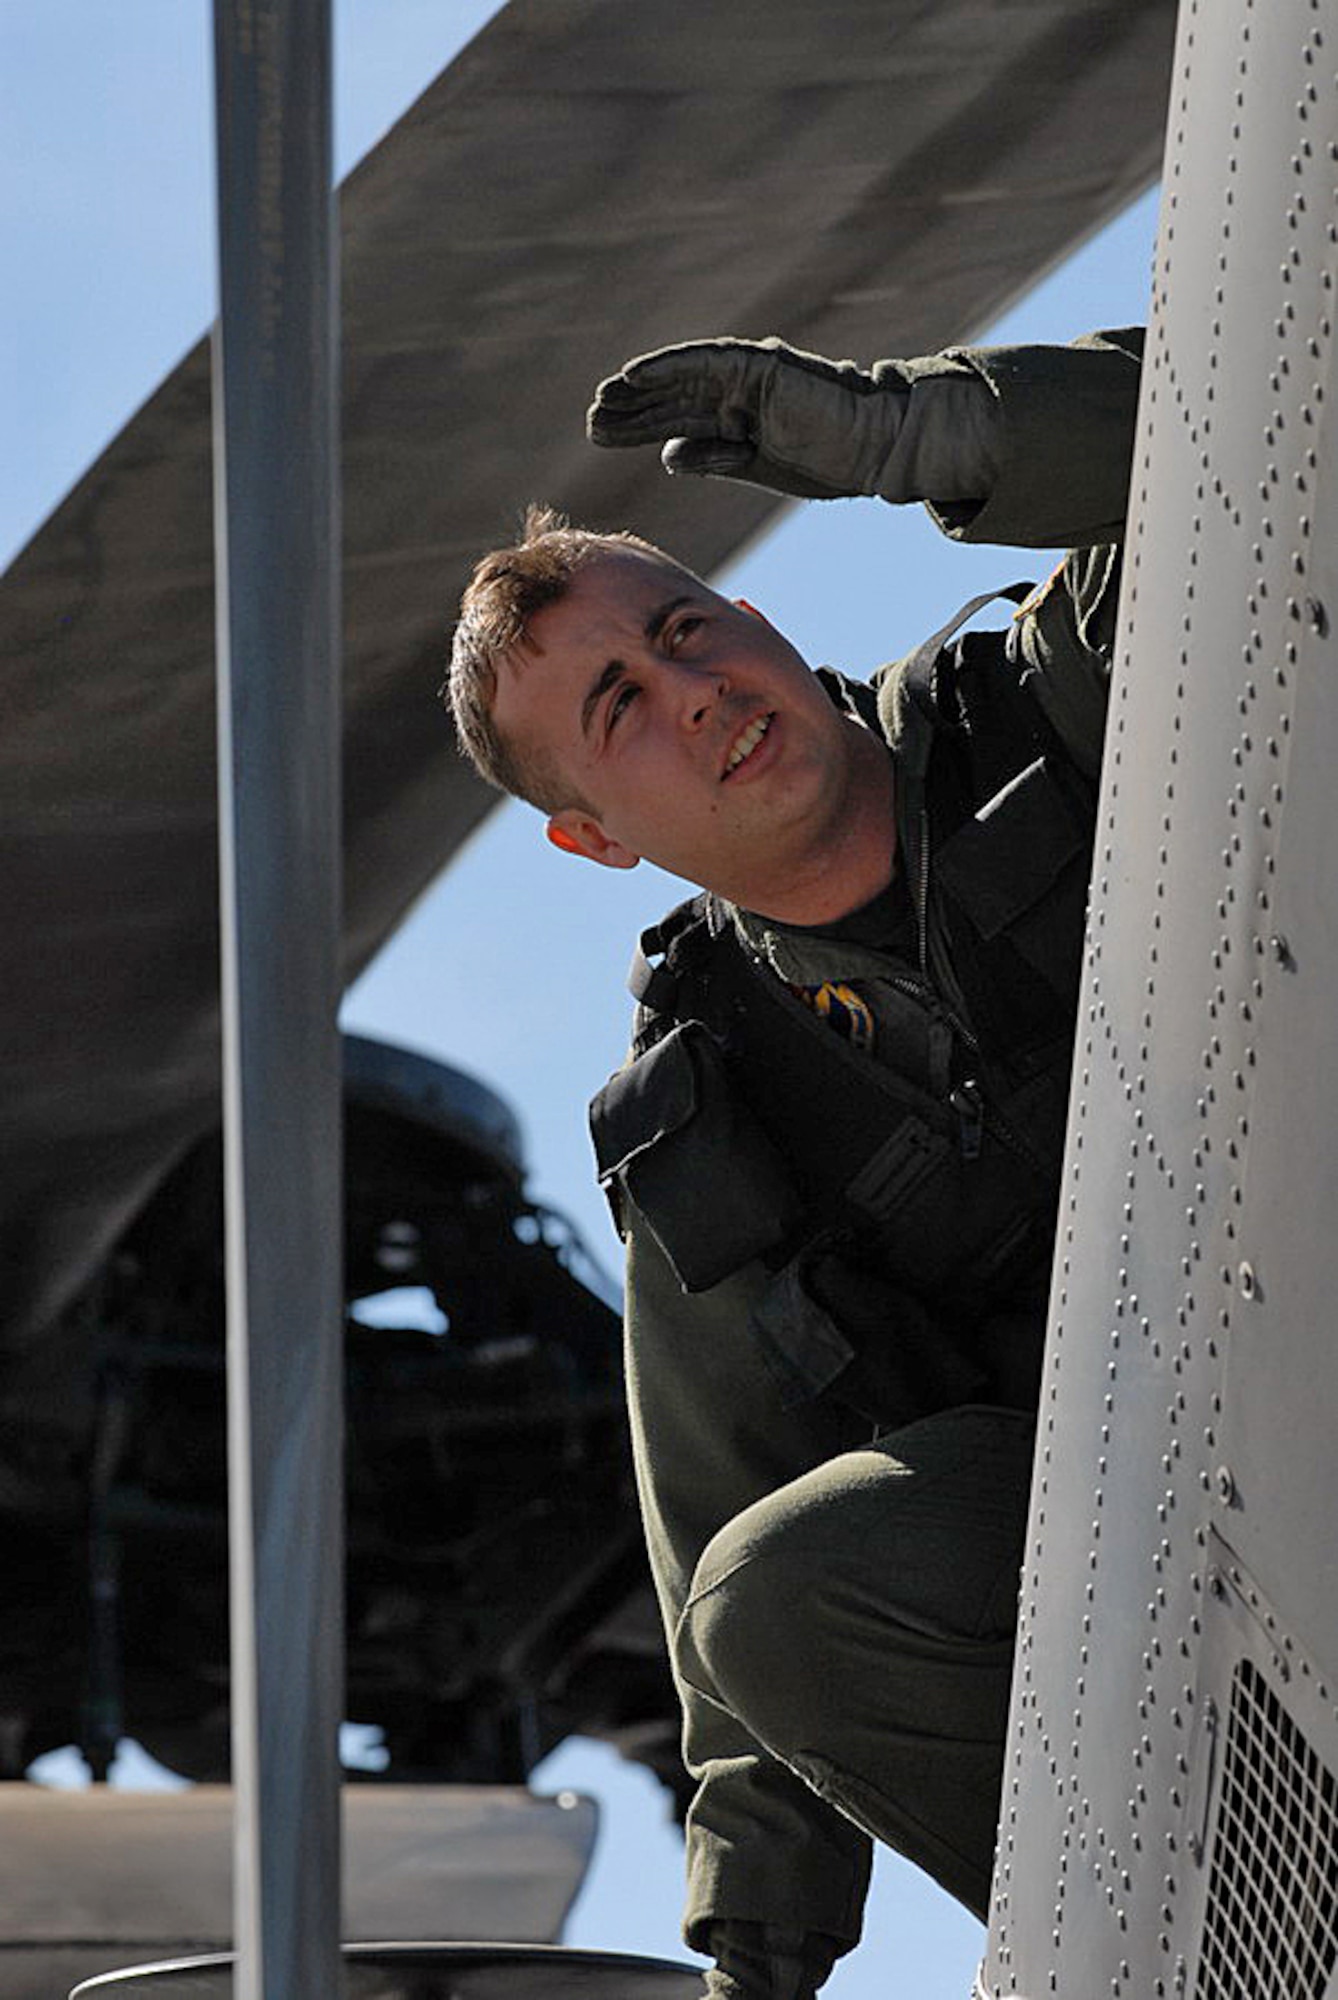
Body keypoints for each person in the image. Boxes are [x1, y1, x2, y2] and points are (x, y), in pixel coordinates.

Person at [445, 327, 1143, 1998]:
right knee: (777, 1597)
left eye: (686, 629)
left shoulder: (1051, 695)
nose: (691, 689)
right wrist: (753, 1958)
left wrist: (912, 432)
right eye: (620, 703)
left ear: (763, 620)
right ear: (592, 838)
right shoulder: (720, 1122)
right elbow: (725, 1565)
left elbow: (1261, 417)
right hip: (1154, 1503)